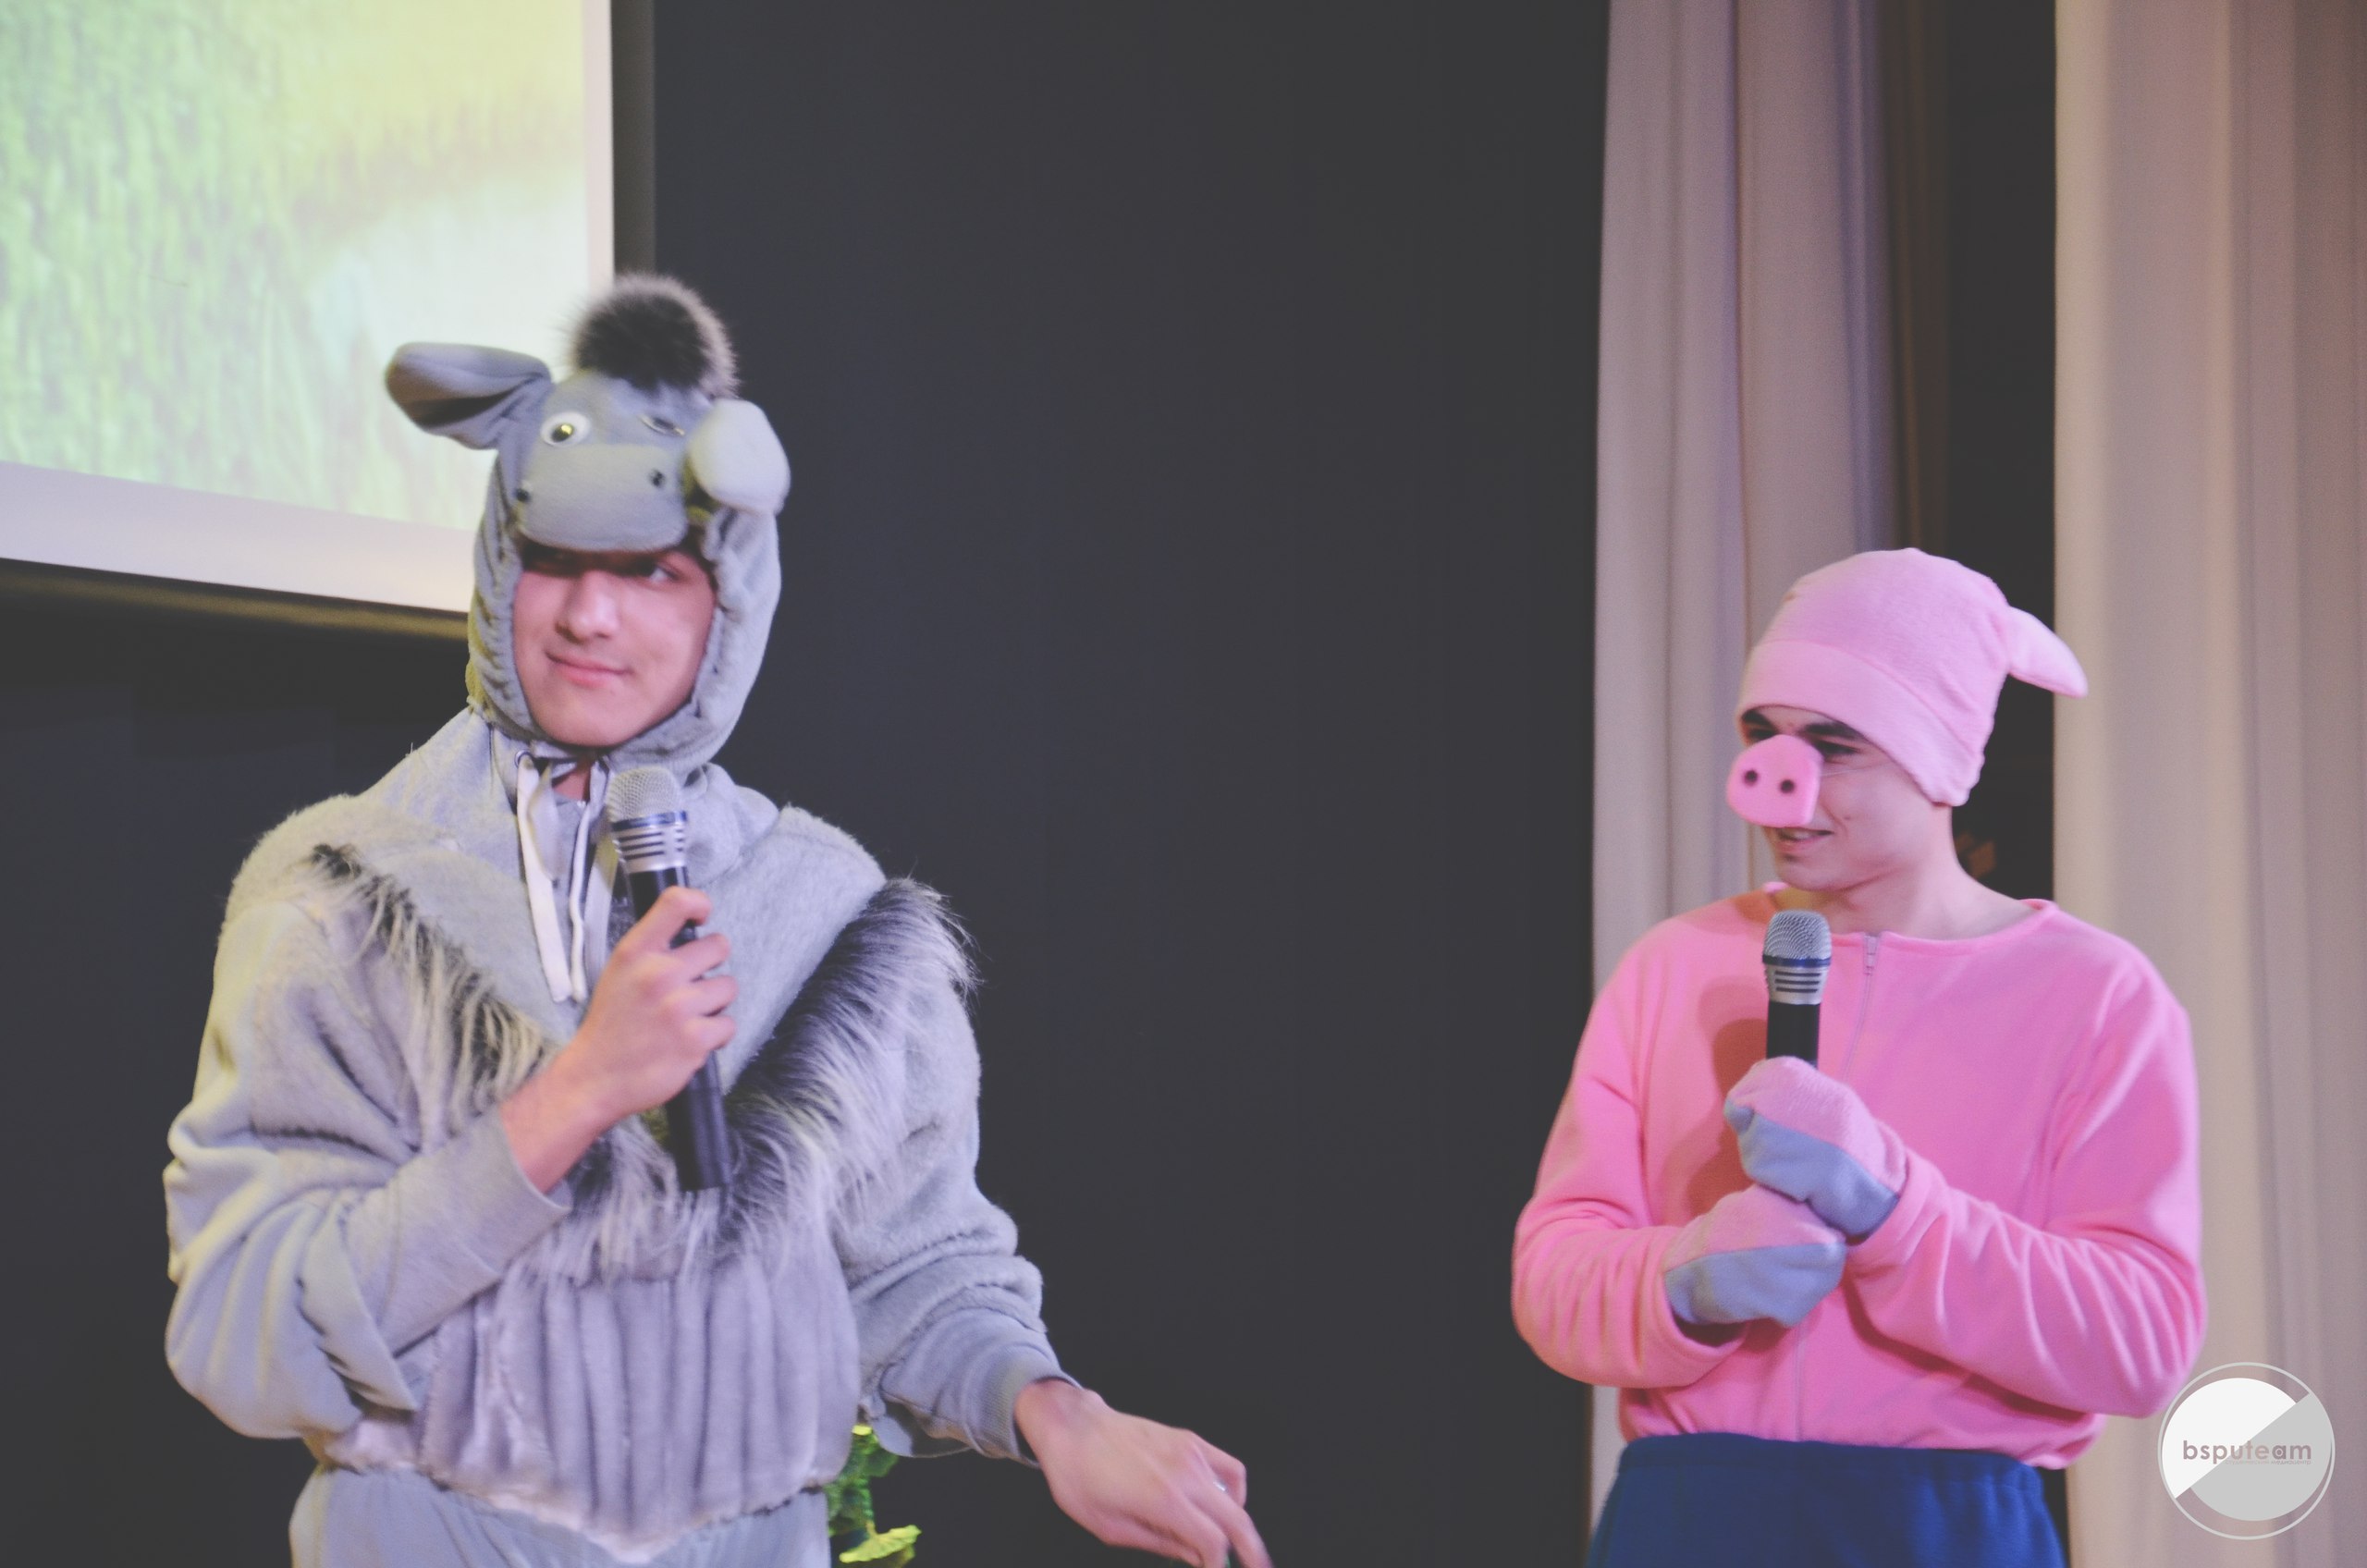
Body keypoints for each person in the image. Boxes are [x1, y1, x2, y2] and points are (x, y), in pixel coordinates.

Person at [164, 276, 1269, 1568]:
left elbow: (919, 1270)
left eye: (650, 571)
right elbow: (247, 1332)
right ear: (500, 564)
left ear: (730, 597)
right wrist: (574, 1095)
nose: (590, 615)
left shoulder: (825, 910)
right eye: (554, 559)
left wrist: (1059, 1415)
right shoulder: (341, 895)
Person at [1512, 548, 2206, 1566]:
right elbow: (1552, 1275)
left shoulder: (2095, 994)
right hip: (1691, 1516)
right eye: (1763, 735)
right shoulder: (1672, 965)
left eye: (1835, 745)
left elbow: (2139, 1343)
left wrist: (1894, 1209)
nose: (1782, 781)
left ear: (1939, 760)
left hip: (1945, 1526)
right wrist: (1685, 1278)